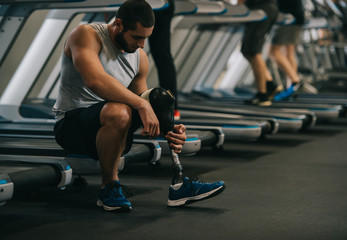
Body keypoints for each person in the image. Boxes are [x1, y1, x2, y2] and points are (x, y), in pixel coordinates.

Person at [52, 0, 225, 212]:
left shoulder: (140, 57)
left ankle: (179, 183)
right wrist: (142, 105)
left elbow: (144, 103)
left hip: (115, 130)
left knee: (158, 98)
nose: (142, 44)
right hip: (72, 130)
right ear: (119, 24)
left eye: (145, 38)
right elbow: (95, 80)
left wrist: (168, 129)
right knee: (120, 110)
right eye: (137, 37)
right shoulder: (86, 34)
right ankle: (109, 187)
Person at [239, 0, 283, 106]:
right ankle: (269, 84)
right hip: (267, 8)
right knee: (248, 52)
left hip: (261, 10)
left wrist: (237, 7)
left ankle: (262, 95)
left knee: (253, 52)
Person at [148, 0, 181, 120]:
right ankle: (172, 109)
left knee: (130, 45)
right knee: (163, 55)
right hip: (166, 3)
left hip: (153, 4)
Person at [270, 0, 305, 100]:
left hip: (289, 17)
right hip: (296, 16)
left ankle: (295, 81)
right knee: (289, 53)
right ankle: (292, 87)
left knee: (273, 52)